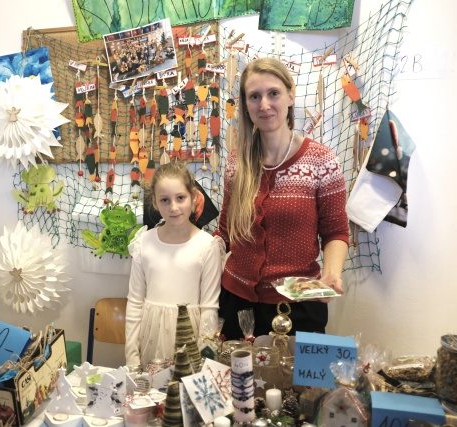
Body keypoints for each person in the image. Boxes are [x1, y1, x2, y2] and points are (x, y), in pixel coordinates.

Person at [215, 58, 349, 339]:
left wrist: (331, 273)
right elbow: (225, 230)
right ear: (246, 105)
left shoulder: (321, 161)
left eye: (273, 93)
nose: (264, 105)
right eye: (254, 96)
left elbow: (336, 231)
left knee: (296, 372)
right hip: (237, 303)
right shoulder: (236, 163)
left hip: (298, 305)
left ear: (290, 95)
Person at [125, 161, 224, 368]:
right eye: (165, 200)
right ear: (155, 202)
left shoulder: (207, 246)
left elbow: (209, 308)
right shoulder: (144, 242)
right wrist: (132, 358)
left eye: (180, 198)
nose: (173, 207)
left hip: (190, 338)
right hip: (152, 336)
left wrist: (204, 359)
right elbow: (134, 303)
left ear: (193, 197)